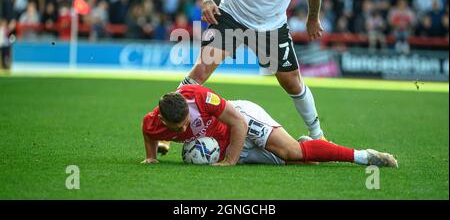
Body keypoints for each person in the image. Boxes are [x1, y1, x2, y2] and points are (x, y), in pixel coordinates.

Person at [159, 0, 326, 155]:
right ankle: (169, 129)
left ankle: (318, 136)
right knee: (201, 70)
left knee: (292, 84)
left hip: (270, 27)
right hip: (232, 17)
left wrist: (313, 18)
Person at [142, 84, 398, 168]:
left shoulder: (199, 97)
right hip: (225, 146)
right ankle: (308, 146)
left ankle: (365, 156)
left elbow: (238, 122)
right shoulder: (153, 123)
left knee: (292, 153)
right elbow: (149, 135)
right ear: (164, 122)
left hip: (242, 120)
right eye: (179, 127)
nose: (185, 127)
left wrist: (229, 162)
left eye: (187, 120)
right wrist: (151, 157)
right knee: (300, 161)